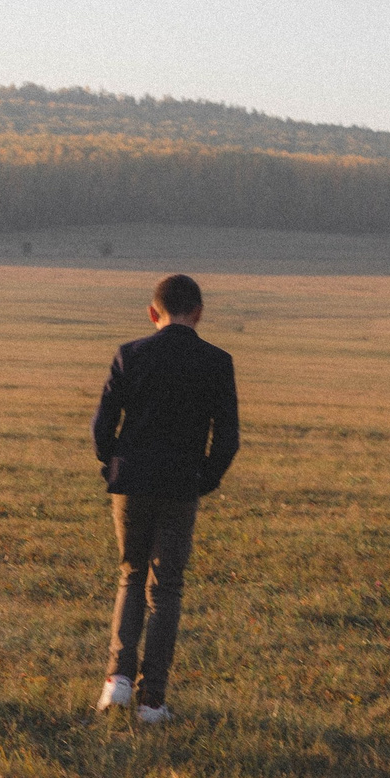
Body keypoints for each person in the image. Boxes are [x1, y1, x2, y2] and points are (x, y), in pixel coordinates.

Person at [91, 272, 239, 723]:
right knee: (167, 587)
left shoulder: (130, 354)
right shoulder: (217, 362)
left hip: (131, 483)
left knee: (131, 576)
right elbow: (227, 439)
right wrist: (204, 479)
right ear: (199, 313)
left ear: (152, 312)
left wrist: (112, 464)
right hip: (180, 484)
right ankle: (152, 701)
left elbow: (102, 426)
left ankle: (116, 682)